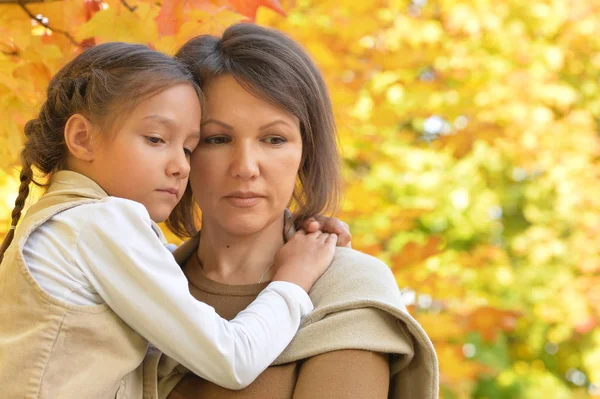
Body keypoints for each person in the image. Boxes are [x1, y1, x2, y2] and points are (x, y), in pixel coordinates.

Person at [0, 42, 350, 399]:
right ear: (82, 138)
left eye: (188, 148)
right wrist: (294, 279)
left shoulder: (65, 223)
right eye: (155, 139)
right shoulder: (101, 223)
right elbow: (233, 360)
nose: (181, 165)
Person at [154, 24, 439, 399]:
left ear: (305, 152)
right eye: (217, 139)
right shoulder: (141, 279)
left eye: (274, 139)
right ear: (183, 151)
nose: (246, 167)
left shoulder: (345, 292)